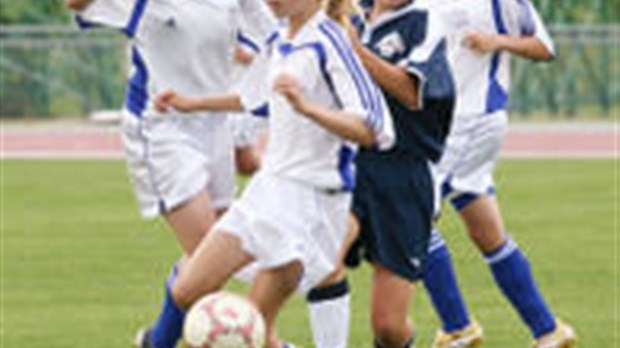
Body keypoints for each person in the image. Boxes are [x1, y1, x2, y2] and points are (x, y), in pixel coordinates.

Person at [154, 0, 395, 347]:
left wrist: (307, 107)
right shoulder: (278, 38)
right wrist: (191, 102)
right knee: (187, 289)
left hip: (310, 205)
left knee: (249, 329)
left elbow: (374, 126)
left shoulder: (332, 42)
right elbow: (252, 98)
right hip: (267, 188)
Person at [65, 1, 276, 348]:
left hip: (215, 123)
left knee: (213, 252)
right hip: (161, 127)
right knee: (211, 251)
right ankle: (268, 341)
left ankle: (158, 340)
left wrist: (245, 139)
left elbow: (273, 40)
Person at [413, 0, 577, 347]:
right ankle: (548, 331)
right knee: (487, 233)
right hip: (439, 123)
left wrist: (497, 41)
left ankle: (458, 327)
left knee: (411, 219)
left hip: (471, 119)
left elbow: (545, 47)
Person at [343, 0, 455, 346]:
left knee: (389, 328)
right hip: (345, 166)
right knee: (321, 266)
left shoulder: (424, 22)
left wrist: (355, 51)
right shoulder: (347, 14)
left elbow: (411, 91)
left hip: (402, 174)